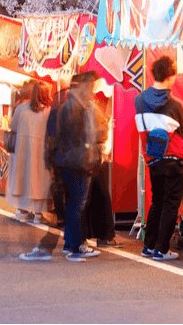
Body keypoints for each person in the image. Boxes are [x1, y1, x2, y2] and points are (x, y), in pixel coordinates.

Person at [134, 56, 183, 261]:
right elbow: (181, 132)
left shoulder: (139, 100)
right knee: (170, 204)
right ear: (170, 76)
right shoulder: (175, 104)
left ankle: (149, 245)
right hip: (174, 157)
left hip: (153, 157)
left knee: (157, 201)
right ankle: (161, 249)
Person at [49, 74, 103, 263]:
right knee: (77, 204)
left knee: (73, 203)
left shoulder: (66, 106)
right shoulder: (77, 108)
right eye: (90, 88)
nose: (92, 92)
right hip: (77, 161)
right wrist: (90, 156)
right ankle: (77, 246)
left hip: (66, 161)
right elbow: (81, 138)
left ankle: (70, 243)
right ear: (82, 87)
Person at [77, 72, 121, 248]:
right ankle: (86, 238)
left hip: (89, 157)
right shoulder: (83, 107)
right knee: (92, 197)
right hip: (88, 157)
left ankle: (94, 236)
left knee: (93, 197)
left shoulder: (85, 106)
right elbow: (98, 130)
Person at [7, 82, 53, 223]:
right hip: (41, 152)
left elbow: (12, 126)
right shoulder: (48, 111)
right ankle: (39, 214)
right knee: (40, 181)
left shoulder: (21, 109)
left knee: (23, 179)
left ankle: (22, 210)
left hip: (22, 151)